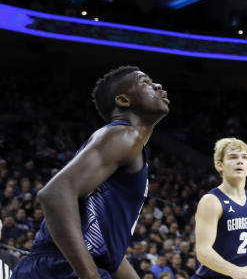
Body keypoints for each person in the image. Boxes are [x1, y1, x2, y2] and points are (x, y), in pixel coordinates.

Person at [12, 66, 170, 279]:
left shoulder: (120, 144)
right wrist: (91, 276)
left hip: (60, 266)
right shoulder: (124, 135)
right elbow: (55, 194)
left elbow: (106, 250)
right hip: (61, 267)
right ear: (123, 101)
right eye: (145, 82)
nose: (157, 86)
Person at [192, 138, 247, 279]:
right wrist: (234, 271)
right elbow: (203, 252)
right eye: (232, 157)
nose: (240, 161)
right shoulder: (211, 201)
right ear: (220, 165)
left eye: (244, 158)